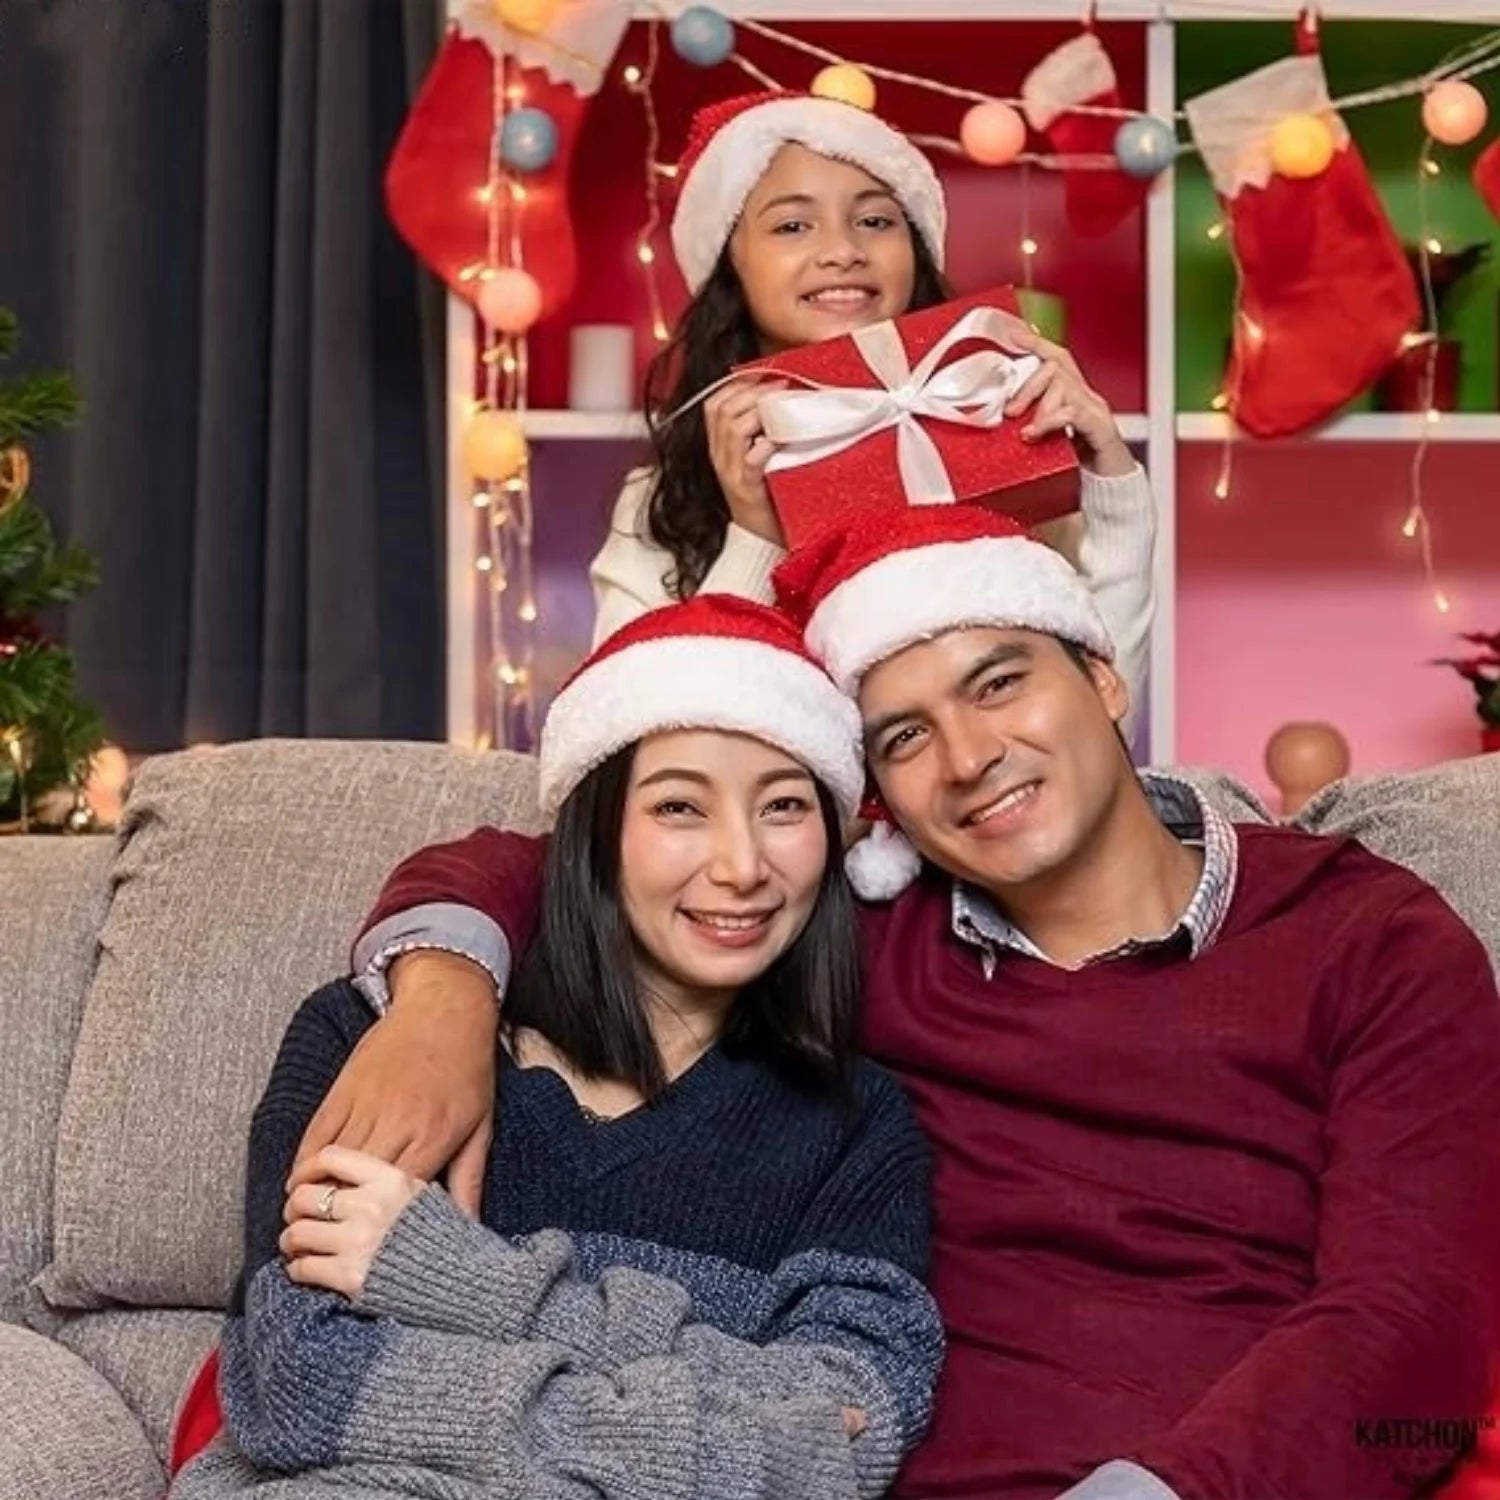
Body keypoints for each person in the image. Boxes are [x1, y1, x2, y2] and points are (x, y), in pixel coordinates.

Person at [319, 506, 1500, 1499]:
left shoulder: (1368, 939)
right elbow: (577, 864)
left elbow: (1413, 1322)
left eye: (1000, 684)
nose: (972, 755)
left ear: (1102, 676)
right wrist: (442, 996)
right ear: (874, 790)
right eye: (906, 736)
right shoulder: (867, 939)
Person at [170, 596, 943, 1500]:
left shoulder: (855, 1126)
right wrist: (720, 1432)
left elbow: (853, 1431)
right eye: (680, 807)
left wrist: (462, 1281)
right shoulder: (370, 1039)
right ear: (596, 833)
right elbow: (297, 1389)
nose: (741, 866)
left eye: (781, 807)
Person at [588, 88, 1155, 741]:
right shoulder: (659, 502)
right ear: (731, 267)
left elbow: (1100, 724)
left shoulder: (989, 430)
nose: (842, 251)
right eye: (792, 225)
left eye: (877, 221)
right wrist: (754, 538)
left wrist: (1111, 481)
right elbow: (640, 749)